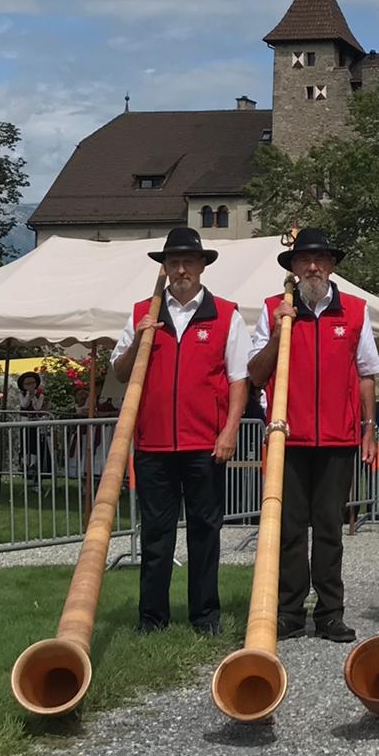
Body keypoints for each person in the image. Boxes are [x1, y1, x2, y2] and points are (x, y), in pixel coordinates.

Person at [246, 227, 379, 644]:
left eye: (320, 259)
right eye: (304, 260)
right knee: (288, 529)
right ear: (293, 268)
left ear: (332, 265)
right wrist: (275, 333)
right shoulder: (273, 308)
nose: (312, 266)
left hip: (338, 439)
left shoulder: (355, 311)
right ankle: (289, 612)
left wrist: (369, 429)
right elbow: (255, 374)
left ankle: (329, 613)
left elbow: (366, 376)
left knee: (328, 529)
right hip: (288, 438)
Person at [112, 226, 250, 635]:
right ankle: (152, 617)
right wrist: (139, 340)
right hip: (153, 445)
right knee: (156, 534)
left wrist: (229, 431)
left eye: (189, 261)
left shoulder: (226, 314)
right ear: (165, 268)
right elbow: (120, 373)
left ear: (203, 266)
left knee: (206, 533)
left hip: (205, 444)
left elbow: (239, 380)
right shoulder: (142, 312)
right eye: (174, 262)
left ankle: (205, 615)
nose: (181, 269)